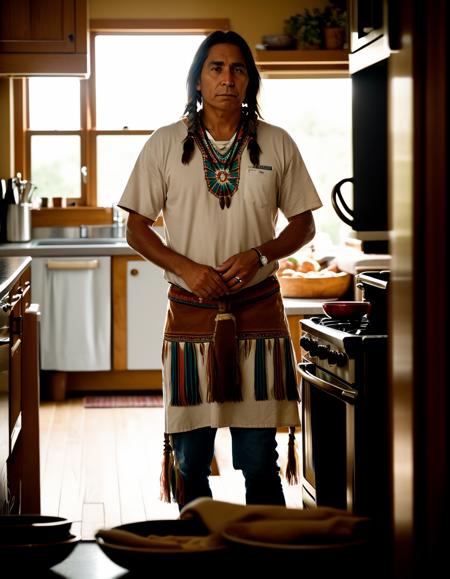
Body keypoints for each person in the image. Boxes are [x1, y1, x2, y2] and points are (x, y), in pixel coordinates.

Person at [118, 30, 322, 510]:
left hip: (257, 316)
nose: (227, 78)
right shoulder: (165, 144)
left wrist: (259, 254)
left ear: (250, 81)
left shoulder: (278, 144)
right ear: (197, 80)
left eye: (238, 69)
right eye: (216, 68)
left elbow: (304, 224)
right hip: (191, 318)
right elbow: (137, 228)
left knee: (258, 458)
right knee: (191, 457)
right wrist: (188, 269)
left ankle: (262, 554)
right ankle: (198, 552)